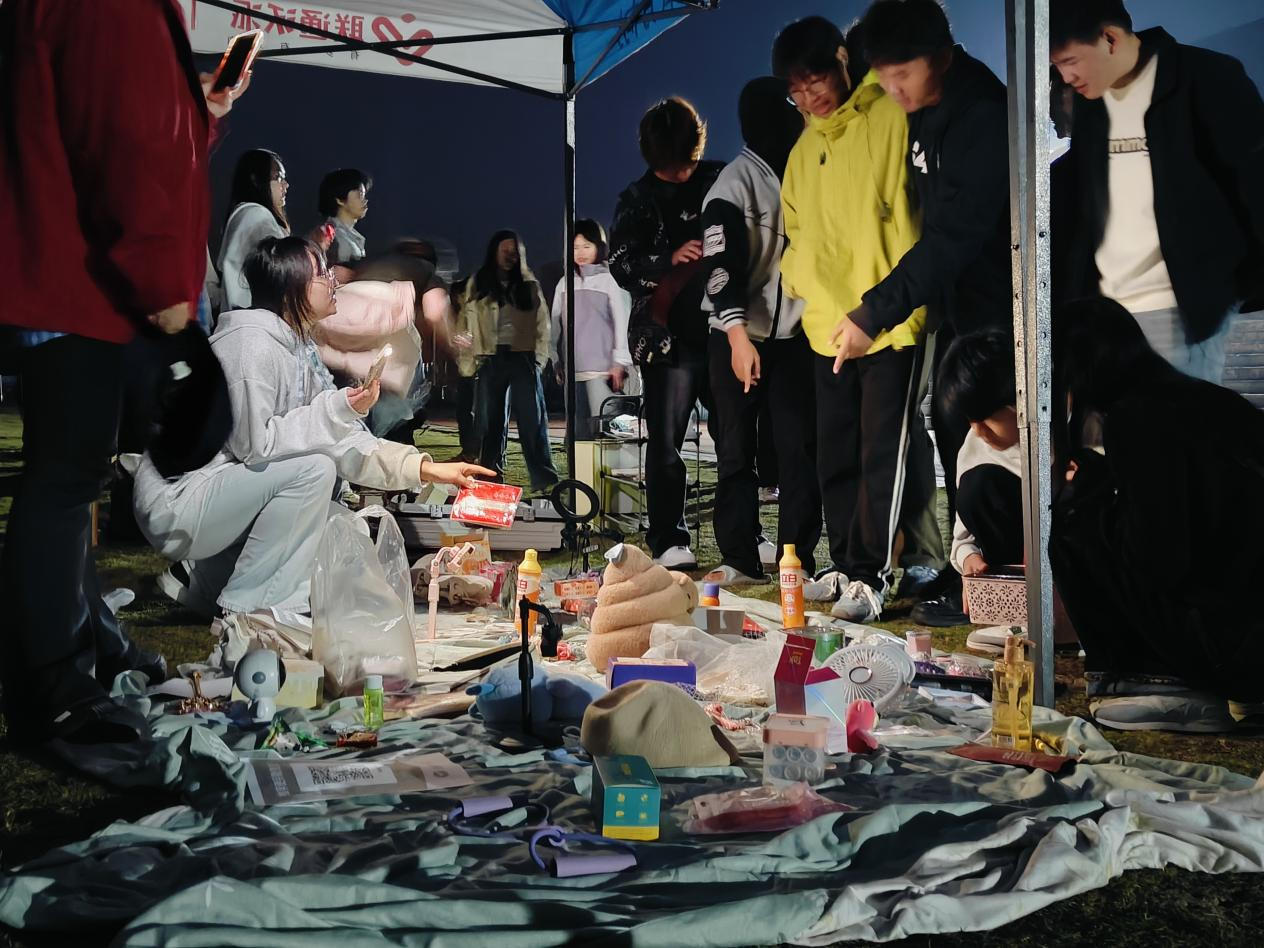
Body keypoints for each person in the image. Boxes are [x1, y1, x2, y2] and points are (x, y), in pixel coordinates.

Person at [0, 0, 246, 745]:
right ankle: (53, 686)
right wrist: (167, 301)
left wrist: (203, 111)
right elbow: (129, 148)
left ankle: (87, 647)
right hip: (79, 281)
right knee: (64, 477)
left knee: (73, 475)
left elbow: (140, 133)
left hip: (73, 276)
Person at [133, 237, 491, 666]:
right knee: (314, 471)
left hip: (224, 492)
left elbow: (343, 439)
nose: (332, 279)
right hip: (179, 499)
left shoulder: (298, 346)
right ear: (291, 287)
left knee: (339, 522)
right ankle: (250, 613)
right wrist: (336, 408)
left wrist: (427, 469)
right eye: (320, 272)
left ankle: (207, 586)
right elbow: (255, 445)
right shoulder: (250, 343)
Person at [850, 0, 1015, 617]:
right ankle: (967, 567)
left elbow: (954, 235)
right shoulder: (921, 106)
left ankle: (1009, 572)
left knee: (998, 440)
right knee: (953, 430)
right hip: (955, 307)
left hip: (1001, 306)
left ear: (941, 56)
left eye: (902, 74)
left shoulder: (982, 112)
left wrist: (874, 312)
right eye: (883, 76)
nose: (892, 90)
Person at [1049, 297, 1264, 732]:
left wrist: (1089, 495)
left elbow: (1159, 559)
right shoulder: (1209, 399)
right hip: (1248, 635)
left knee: (1073, 527)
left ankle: (1153, 682)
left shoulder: (1136, 417)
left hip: (1231, 648)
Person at [775, 17, 928, 622]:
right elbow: (795, 235)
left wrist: (893, 300)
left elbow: (915, 204)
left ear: (842, 60)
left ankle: (871, 574)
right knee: (834, 452)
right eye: (796, 90)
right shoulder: (801, 150)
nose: (809, 97)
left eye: (815, 81)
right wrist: (802, 281)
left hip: (889, 321)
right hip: (826, 325)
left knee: (881, 453)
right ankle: (842, 563)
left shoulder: (890, 115)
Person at [1050, 0, 1264, 385]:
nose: (1066, 77)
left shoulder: (1207, 77)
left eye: (1070, 61)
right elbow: (1085, 208)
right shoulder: (1091, 105)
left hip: (1183, 310)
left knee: (1178, 419)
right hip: (1107, 316)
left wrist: (1231, 291)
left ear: (1110, 39)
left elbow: (1254, 184)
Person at [699, 76, 820, 587]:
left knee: (799, 450)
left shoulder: (804, 172)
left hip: (794, 338)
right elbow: (718, 269)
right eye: (791, 108)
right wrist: (736, 337)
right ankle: (740, 559)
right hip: (736, 336)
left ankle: (797, 559)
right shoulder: (733, 184)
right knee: (734, 450)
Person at [609, 97, 724, 570]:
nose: (680, 173)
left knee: (736, 438)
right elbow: (621, 265)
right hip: (666, 340)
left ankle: (743, 536)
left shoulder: (719, 179)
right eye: (670, 166)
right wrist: (668, 259)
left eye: (686, 163)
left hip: (726, 330)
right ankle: (669, 539)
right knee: (666, 442)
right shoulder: (636, 199)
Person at [931, 330, 1024, 613]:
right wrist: (970, 559)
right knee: (978, 485)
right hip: (1012, 563)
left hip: (1065, 562)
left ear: (1018, 401)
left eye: (987, 418)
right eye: (971, 420)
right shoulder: (975, 446)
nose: (979, 431)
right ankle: (1009, 601)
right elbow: (963, 538)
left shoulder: (1068, 437)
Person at [459, 231, 559, 493]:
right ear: (494, 252)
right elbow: (466, 322)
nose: (509, 256)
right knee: (489, 421)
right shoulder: (479, 282)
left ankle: (545, 479)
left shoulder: (529, 285)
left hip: (522, 356)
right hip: (489, 357)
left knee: (532, 420)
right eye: (504, 250)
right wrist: (468, 358)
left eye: (514, 252)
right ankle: (490, 476)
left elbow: (542, 324)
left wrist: (540, 359)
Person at [550, 219, 635, 440]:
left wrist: (619, 363)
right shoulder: (564, 284)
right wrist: (556, 359)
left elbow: (622, 321)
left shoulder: (610, 280)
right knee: (577, 434)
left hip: (603, 371)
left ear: (599, 246)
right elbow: (555, 325)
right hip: (573, 372)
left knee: (607, 432)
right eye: (575, 247)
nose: (580, 253)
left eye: (586, 246)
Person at [218, 148, 290, 311]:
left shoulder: (243, 214)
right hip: (254, 314)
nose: (286, 185)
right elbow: (282, 267)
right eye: (278, 178)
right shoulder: (256, 215)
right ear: (256, 180)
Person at [318, 167, 373, 267]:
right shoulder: (335, 239)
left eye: (364, 195)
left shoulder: (350, 236)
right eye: (360, 195)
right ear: (339, 200)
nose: (365, 200)